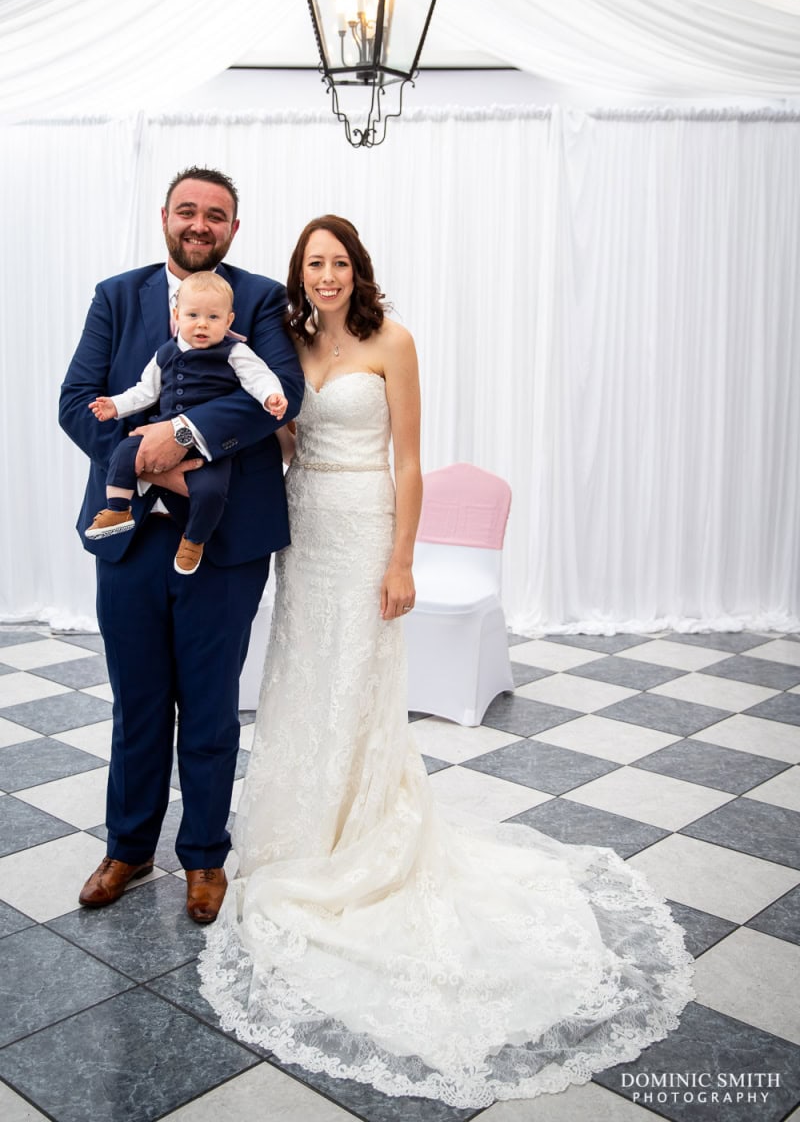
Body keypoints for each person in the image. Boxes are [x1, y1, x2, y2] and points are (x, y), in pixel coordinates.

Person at [198, 216, 693, 1107]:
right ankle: (299, 832)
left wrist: (402, 560)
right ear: (297, 274)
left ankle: (360, 831)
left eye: (338, 262)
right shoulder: (284, 339)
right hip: (301, 530)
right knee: (305, 678)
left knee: (359, 680)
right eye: (313, 264)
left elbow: (412, 459)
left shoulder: (395, 340)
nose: (325, 276)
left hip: (364, 522)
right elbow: (276, 430)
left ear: (359, 269)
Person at [59, 167, 304, 923]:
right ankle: (128, 848)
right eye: (189, 211)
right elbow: (78, 402)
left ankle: (204, 857)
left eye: (217, 215)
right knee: (138, 704)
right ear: (166, 215)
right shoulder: (116, 295)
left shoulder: (258, 298)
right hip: (128, 539)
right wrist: (142, 456)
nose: (201, 224)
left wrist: (184, 439)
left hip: (224, 541)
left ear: (235, 227)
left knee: (208, 707)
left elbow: (276, 396)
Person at [85, 270, 288, 575]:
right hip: (158, 430)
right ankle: (117, 510)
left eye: (213, 317)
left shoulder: (234, 352)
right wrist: (114, 406)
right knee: (124, 454)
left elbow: (258, 377)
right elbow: (144, 392)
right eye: (193, 315)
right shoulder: (165, 353)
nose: (202, 324)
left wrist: (271, 395)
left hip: (211, 448)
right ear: (177, 315)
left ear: (229, 321)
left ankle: (194, 539)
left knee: (211, 491)